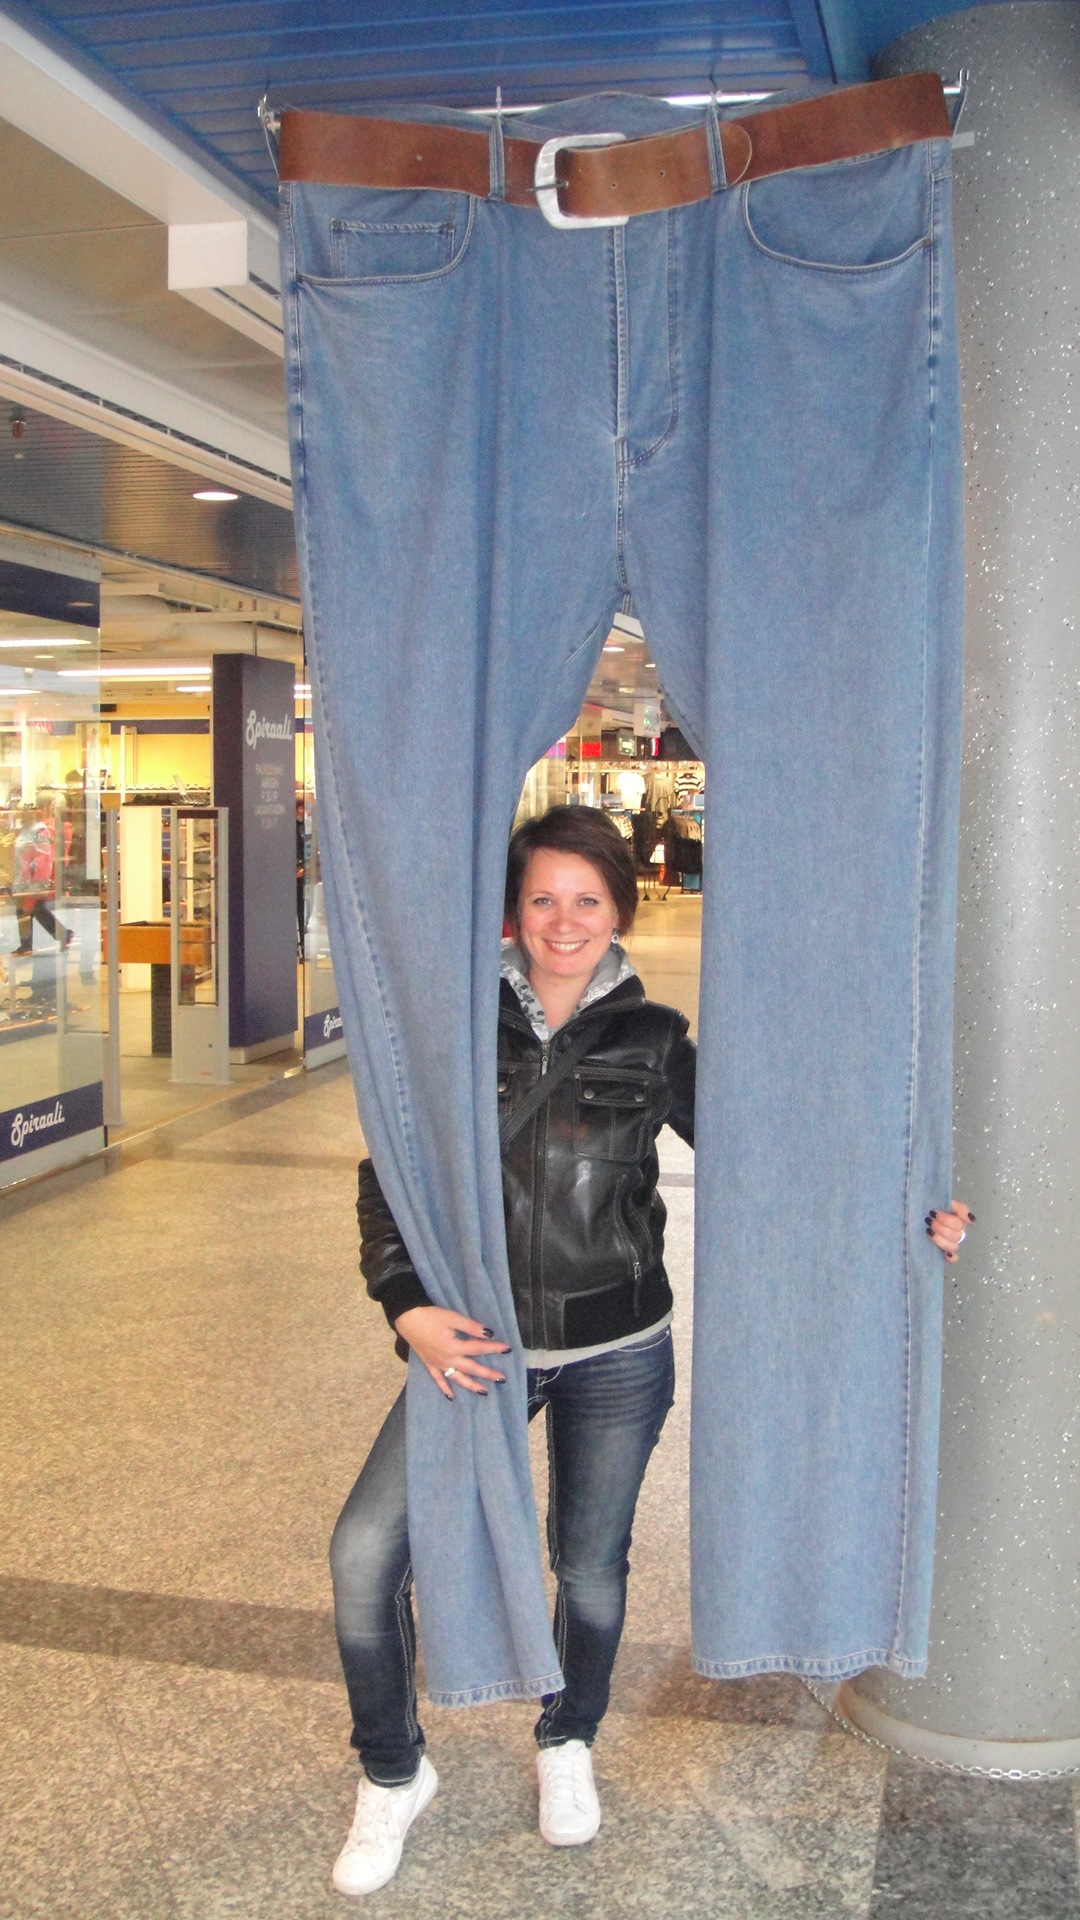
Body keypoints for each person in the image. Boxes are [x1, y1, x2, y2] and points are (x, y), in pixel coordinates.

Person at [327, 804, 973, 1899]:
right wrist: (407, 1306)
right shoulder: (455, 1024)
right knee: (363, 1554)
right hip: (475, 1347)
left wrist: (911, 1216)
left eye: (587, 899)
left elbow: (768, 1158)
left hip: (618, 1347)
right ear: (511, 911)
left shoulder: (656, 1038)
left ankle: (567, 1739)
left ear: (621, 910)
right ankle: (392, 1772)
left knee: (590, 1563)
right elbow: (389, 1173)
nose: (563, 920)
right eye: (542, 898)